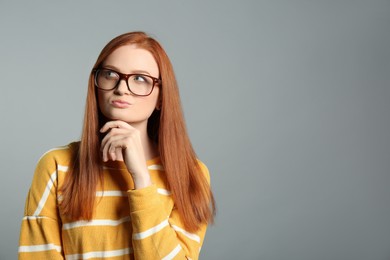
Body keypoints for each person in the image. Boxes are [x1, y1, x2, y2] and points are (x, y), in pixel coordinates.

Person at [18, 31, 216, 259]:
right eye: (110, 74)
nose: (121, 88)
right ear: (96, 83)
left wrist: (141, 178)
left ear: (161, 97)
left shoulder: (190, 175)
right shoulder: (56, 166)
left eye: (140, 78)